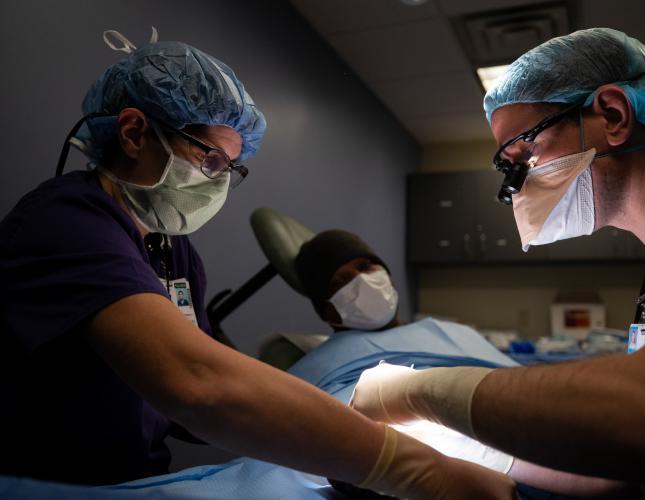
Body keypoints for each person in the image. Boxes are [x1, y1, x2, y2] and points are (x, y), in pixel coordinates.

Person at [0, 30, 515, 499]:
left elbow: (198, 375)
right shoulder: (65, 224)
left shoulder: (172, 248)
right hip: (49, 479)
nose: (220, 182)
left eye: (231, 168)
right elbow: (196, 381)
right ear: (134, 134)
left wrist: (317, 419)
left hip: (136, 473)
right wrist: (404, 465)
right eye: (211, 161)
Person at [350, 27, 645, 499]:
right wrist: (485, 451)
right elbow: (632, 459)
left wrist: (429, 393)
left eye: (524, 155)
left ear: (613, 115)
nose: (517, 186)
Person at [291, 229, 636, 499]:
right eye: (340, 283)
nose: (361, 282)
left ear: (388, 275)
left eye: (365, 267)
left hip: (528, 405)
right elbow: (331, 420)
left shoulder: (444, 329)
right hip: (500, 444)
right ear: (325, 310)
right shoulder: (328, 362)